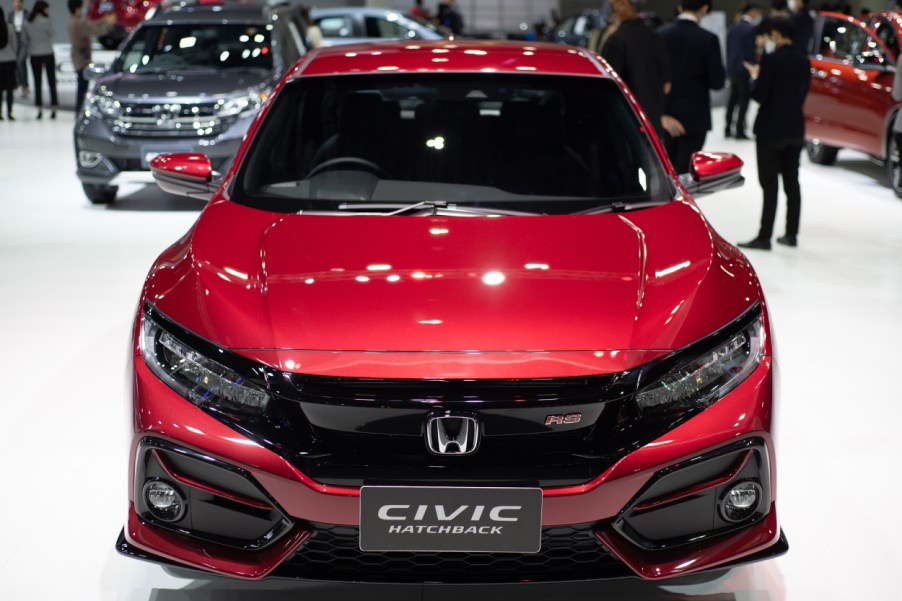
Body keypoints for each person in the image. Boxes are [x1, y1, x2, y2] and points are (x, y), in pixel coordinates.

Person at [738, 17, 811, 250]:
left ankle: (764, 236)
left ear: (776, 34)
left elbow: (759, 95)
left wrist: (754, 77)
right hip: (795, 127)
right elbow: (803, 92)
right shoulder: (803, 60)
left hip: (770, 128)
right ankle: (791, 234)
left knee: (769, 185)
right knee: (792, 182)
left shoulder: (771, 60)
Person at [658, 0, 726, 173]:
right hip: (694, 117)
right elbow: (717, 82)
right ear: (704, 9)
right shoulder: (708, 39)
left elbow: (650, 77)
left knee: (663, 172)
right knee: (686, 175)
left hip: (663, 115)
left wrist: (660, 113)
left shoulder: (659, 35)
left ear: (680, 8)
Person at [601, 0, 671, 140]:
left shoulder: (616, 41)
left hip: (624, 131)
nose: (609, 5)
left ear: (623, 4)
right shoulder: (657, 38)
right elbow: (666, 87)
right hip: (653, 131)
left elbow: (605, 89)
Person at [67, 0, 115, 116]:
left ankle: (79, 112)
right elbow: (95, 30)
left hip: (79, 59)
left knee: (82, 88)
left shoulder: (73, 22)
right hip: (82, 60)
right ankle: (79, 112)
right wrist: (108, 24)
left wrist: (104, 20)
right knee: (82, 89)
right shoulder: (78, 23)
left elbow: (91, 25)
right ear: (77, 9)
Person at [725, 3, 762, 139]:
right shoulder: (749, 29)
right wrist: (753, 66)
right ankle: (739, 130)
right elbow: (749, 52)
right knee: (743, 101)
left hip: (732, 68)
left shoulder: (733, 27)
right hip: (744, 69)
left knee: (732, 99)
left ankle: (727, 128)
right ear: (752, 11)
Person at [23, 0, 55, 119]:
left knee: (37, 83)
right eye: (47, 9)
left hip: (34, 53)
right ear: (43, 9)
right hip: (47, 52)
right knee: (51, 82)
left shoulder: (27, 22)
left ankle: (39, 108)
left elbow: (25, 39)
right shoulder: (46, 21)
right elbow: (52, 33)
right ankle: (53, 107)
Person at [7, 0, 28, 98]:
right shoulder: (11, 15)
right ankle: (23, 86)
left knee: (20, 62)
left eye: (19, 2)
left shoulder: (27, 14)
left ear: (22, 3)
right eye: (15, 2)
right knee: (19, 63)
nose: (17, 4)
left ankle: (24, 86)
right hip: (14, 41)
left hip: (24, 41)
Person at [0, 5, 17, 119]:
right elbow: (14, 44)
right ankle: (9, 112)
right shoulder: (9, 27)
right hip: (10, 60)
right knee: (10, 89)